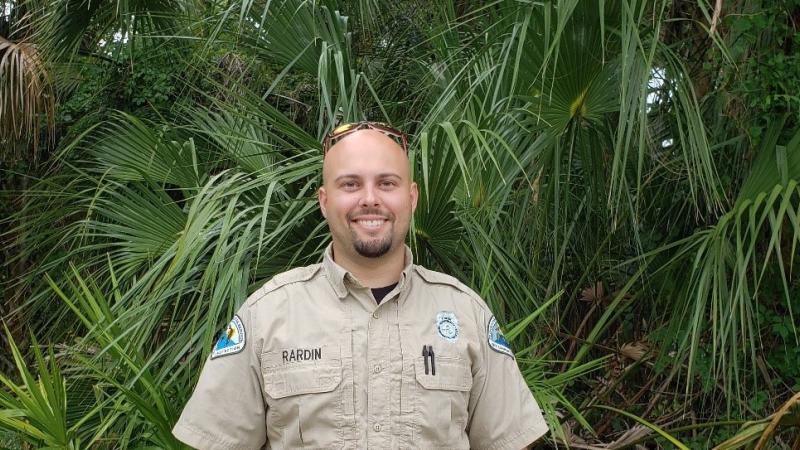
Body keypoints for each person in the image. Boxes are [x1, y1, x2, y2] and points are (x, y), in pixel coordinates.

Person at [172, 122, 549, 449]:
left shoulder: (466, 314)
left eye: (387, 183)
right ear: (324, 201)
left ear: (411, 197)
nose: (370, 199)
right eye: (350, 184)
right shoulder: (266, 315)